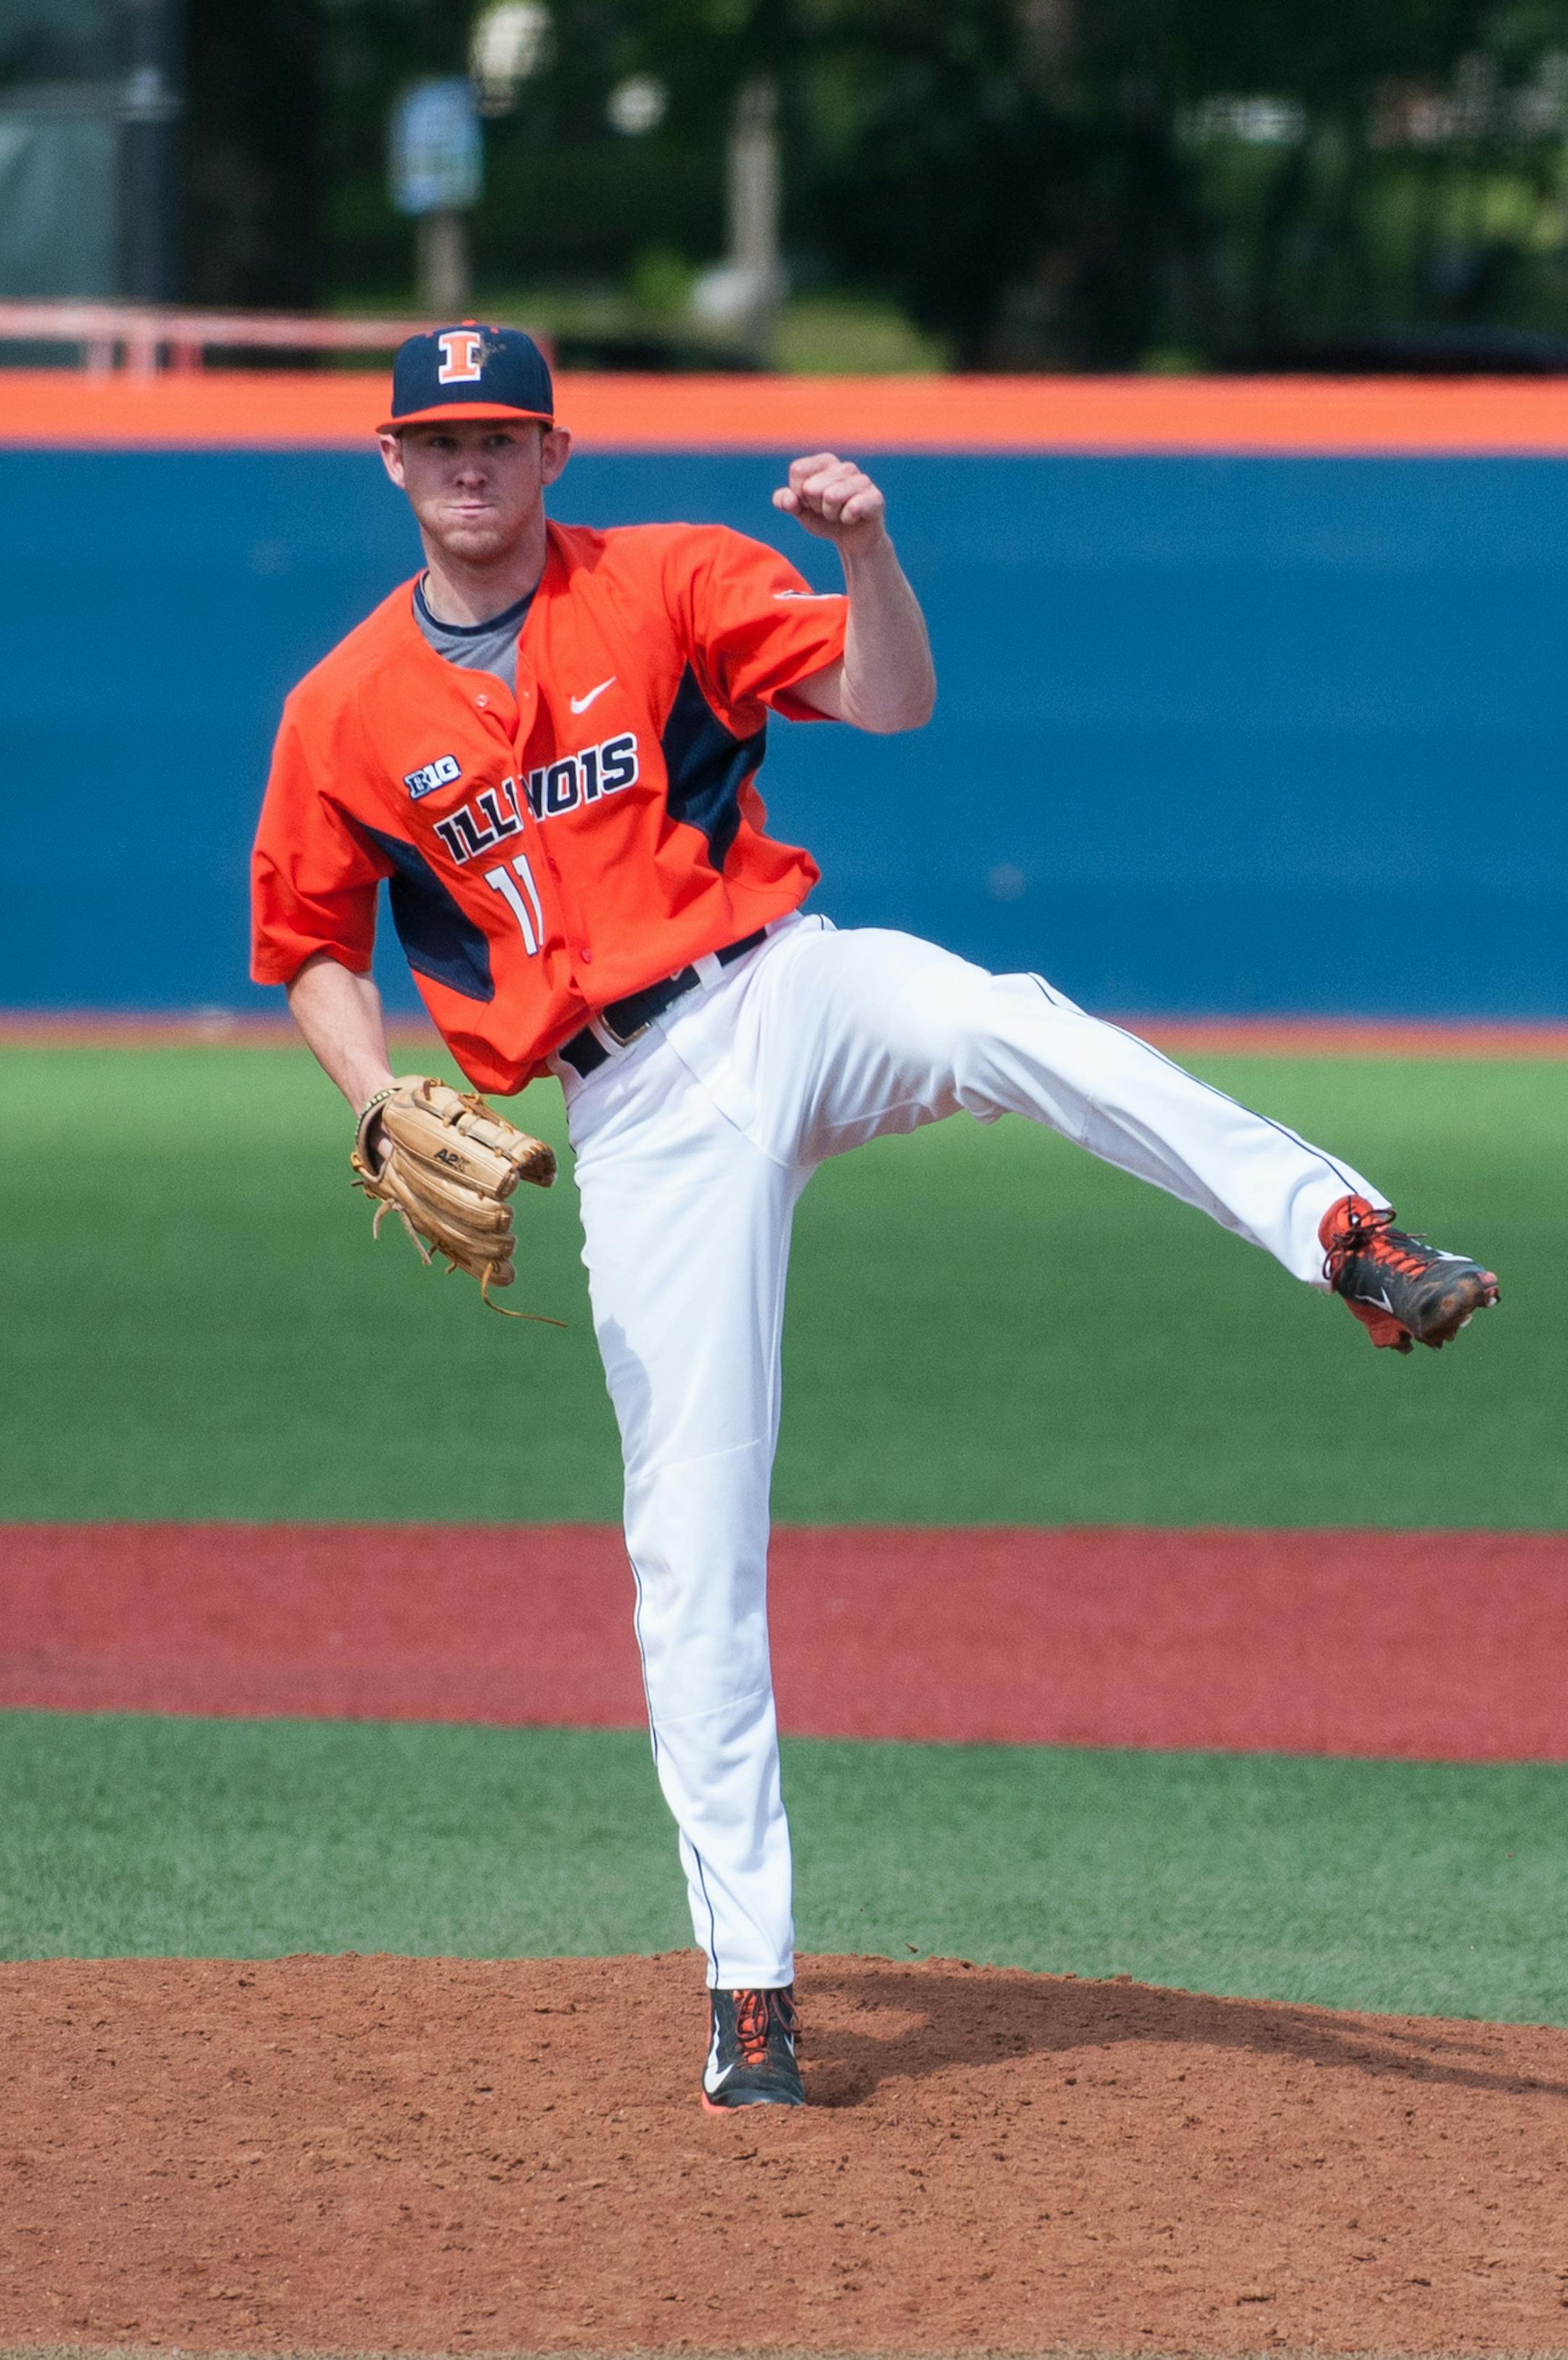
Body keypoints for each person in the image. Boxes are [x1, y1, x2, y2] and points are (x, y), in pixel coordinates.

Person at [252, 325, 1499, 2112]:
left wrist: (868, 552)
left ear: (554, 453)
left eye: (499, 434)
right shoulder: (344, 706)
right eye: (435, 436)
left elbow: (890, 698)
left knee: (1014, 1018)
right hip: (629, 1106)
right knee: (691, 1541)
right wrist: (371, 1097)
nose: (468, 463)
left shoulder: (671, 578)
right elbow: (304, 943)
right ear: (389, 460)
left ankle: (1347, 1240)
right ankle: (750, 1991)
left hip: (782, 989)